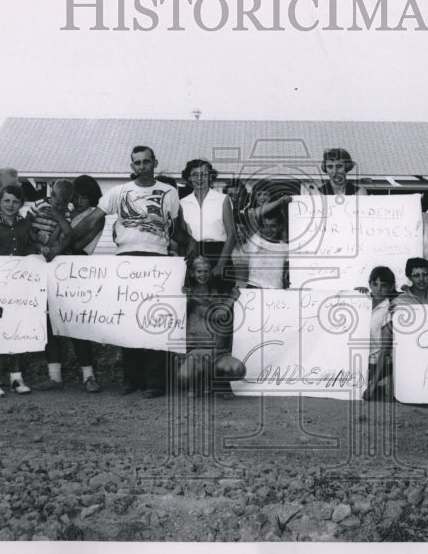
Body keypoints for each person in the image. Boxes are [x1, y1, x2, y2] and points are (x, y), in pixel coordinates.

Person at [100, 146, 186, 398]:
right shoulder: (119, 192)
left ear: (154, 163)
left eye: (146, 162)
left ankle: (155, 383)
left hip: (158, 260)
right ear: (131, 166)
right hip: (127, 259)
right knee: (129, 321)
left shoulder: (169, 192)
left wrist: (190, 247)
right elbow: (97, 217)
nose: (142, 166)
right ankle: (132, 379)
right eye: (137, 163)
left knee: (155, 320)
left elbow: (177, 228)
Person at [37, 175, 106, 392]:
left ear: (92, 199)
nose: (78, 202)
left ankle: (89, 376)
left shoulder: (95, 215)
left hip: (77, 268)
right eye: (75, 197)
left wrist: (58, 222)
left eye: (84, 198)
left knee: (77, 323)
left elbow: (76, 242)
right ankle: (54, 376)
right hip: (53, 267)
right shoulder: (67, 212)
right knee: (49, 322)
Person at [0, 184, 35, 396]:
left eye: (15, 201)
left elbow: (30, 252)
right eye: (6, 201)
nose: (10, 205)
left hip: (19, 287)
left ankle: (16, 377)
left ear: (20, 204)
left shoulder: (25, 224)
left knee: (17, 328)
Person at [177, 256, 246, 399]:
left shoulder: (217, 292)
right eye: (199, 271)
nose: (203, 275)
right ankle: (198, 382)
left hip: (219, 353)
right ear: (192, 273)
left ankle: (216, 382)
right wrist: (232, 298)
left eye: (206, 271)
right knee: (184, 376)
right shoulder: (186, 295)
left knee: (238, 369)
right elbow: (216, 314)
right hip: (196, 354)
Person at [179, 159, 237, 282]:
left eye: (204, 174)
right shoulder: (182, 203)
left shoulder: (223, 199)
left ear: (211, 177)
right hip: (194, 257)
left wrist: (220, 265)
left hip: (219, 254)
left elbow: (231, 235)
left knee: (221, 299)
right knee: (196, 300)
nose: (199, 178)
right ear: (189, 178)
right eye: (195, 174)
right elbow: (183, 237)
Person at [362, 266, 396, 402]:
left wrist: (372, 384)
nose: (378, 289)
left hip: (377, 365)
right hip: (356, 361)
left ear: (391, 287)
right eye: (375, 284)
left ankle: (379, 384)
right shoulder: (359, 303)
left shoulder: (390, 311)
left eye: (383, 285)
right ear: (369, 284)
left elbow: (385, 350)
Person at [235, 210, 289, 289]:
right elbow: (252, 214)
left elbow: (287, 275)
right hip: (253, 290)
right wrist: (280, 201)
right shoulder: (254, 241)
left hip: (276, 292)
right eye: (264, 226)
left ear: (280, 226)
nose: (268, 230)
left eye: (273, 226)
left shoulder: (286, 248)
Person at [28, 179, 74, 253]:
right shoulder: (40, 204)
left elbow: (67, 233)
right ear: (51, 195)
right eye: (57, 204)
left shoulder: (66, 213)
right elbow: (27, 220)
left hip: (49, 245)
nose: (60, 208)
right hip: (33, 242)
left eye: (64, 205)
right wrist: (31, 234)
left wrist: (60, 218)